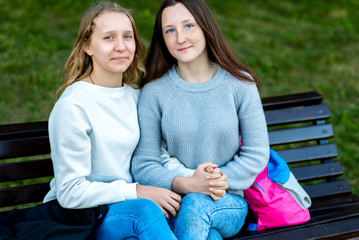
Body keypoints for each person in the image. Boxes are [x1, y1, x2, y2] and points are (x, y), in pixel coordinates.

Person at [131, 0, 270, 239]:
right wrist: (189, 183)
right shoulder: (154, 92)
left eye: (189, 26)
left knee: (196, 204)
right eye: (170, 31)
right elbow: (144, 165)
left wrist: (214, 182)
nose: (180, 38)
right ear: (163, 39)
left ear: (206, 27)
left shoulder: (240, 84)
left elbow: (256, 153)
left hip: (227, 201)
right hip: (174, 201)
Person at [43, 2, 179, 239]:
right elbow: (70, 192)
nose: (121, 46)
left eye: (127, 36)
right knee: (144, 213)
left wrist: (193, 179)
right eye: (108, 38)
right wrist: (136, 191)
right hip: (84, 216)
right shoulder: (74, 106)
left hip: (130, 207)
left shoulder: (137, 97)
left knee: (191, 210)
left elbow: (158, 157)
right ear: (87, 46)